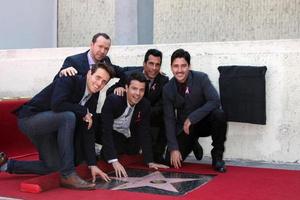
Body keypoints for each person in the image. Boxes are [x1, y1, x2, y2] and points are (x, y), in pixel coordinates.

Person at [0, 63, 115, 190]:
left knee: (54, 166)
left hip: (48, 130)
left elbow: (88, 129)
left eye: (104, 82)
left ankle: (6, 165)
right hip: (30, 119)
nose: (99, 83)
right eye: (97, 77)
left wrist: (92, 164)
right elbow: (57, 104)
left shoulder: (93, 97)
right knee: (68, 117)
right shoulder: (69, 79)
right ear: (89, 74)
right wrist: (83, 111)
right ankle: (68, 175)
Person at [163, 49, 227, 172]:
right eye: (176, 66)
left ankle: (217, 156)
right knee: (170, 162)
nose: (180, 70)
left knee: (219, 115)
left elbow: (215, 101)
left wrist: (192, 117)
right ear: (171, 67)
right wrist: (174, 148)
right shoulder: (168, 89)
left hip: (204, 124)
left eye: (183, 66)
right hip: (186, 129)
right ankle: (193, 143)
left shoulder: (201, 78)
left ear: (189, 66)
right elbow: (169, 119)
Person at [106, 49, 169, 163]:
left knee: (167, 115)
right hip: (129, 119)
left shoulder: (164, 80)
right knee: (129, 150)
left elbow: (161, 105)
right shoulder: (130, 75)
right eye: (151, 63)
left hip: (150, 115)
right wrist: (118, 89)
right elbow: (109, 93)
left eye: (157, 65)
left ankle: (158, 154)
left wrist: (142, 112)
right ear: (144, 64)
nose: (154, 68)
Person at [100, 72, 169, 177]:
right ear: (126, 87)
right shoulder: (113, 100)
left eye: (141, 90)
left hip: (125, 133)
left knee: (133, 150)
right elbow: (106, 131)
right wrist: (114, 161)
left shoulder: (145, 104)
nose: (138, 93)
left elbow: (144, 132)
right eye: (134, 88)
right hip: (106, 131)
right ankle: (106, 153)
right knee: (111, 150)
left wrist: (150, 161)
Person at [56, 32, 124, 79]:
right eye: (100, 46)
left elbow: (121, 72)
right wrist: (62, 73)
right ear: (92, 45)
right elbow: (56, 82)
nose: (103, 51)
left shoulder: (105, 61)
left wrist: (120, 86)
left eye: (106, 49)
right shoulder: (73, 61)